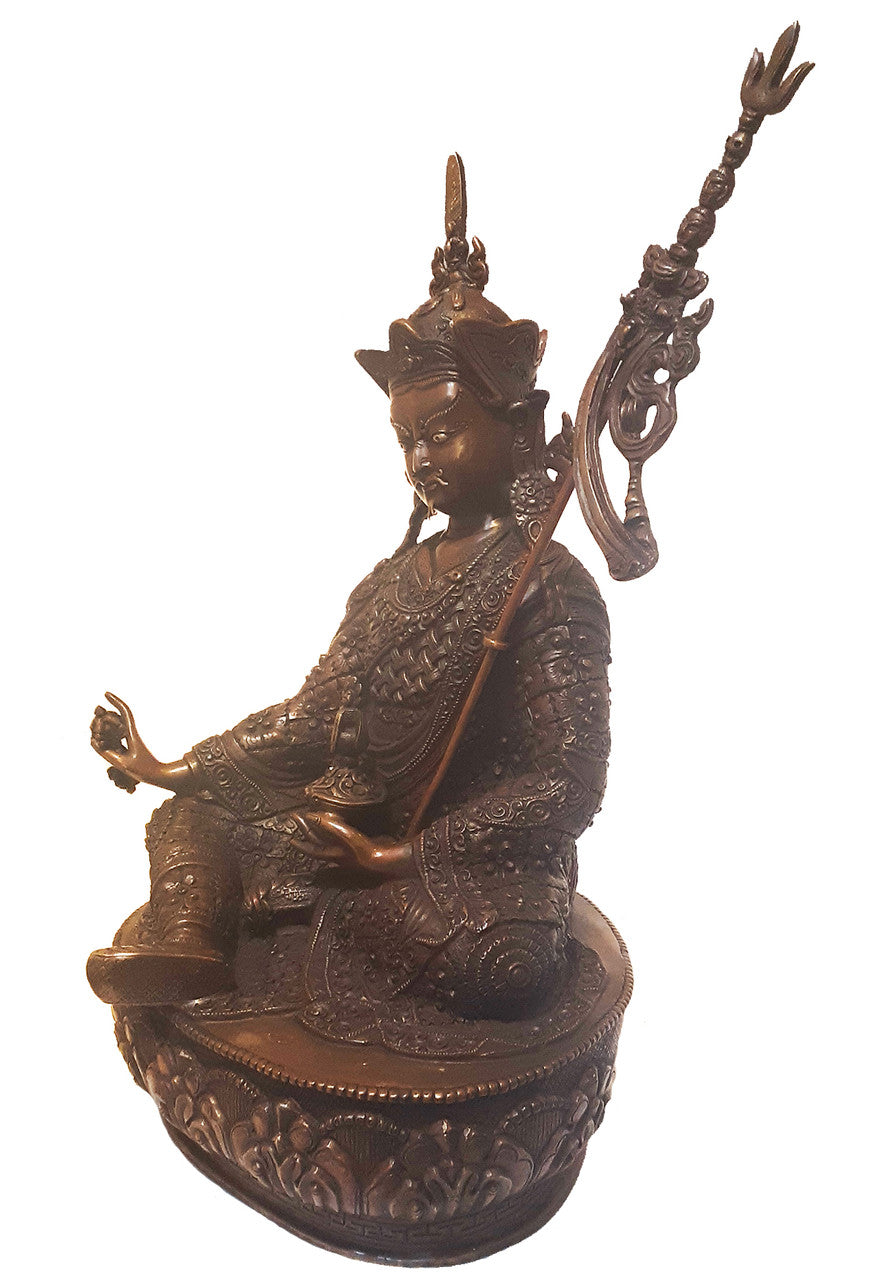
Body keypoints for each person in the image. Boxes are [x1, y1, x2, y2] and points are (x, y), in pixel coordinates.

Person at [87, 157, 612, 1041]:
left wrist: (409, 853)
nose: (421, 460)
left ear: (518, 429)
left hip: (473, 866)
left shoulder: (548, 585)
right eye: (407, 440)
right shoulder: (388, 582)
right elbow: (314, 717)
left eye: (442, 433)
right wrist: (171, 767)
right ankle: (191, 944)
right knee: (190, 820)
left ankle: (290, 911)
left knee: (499, 964)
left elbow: (566, 780)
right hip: (357, 826)